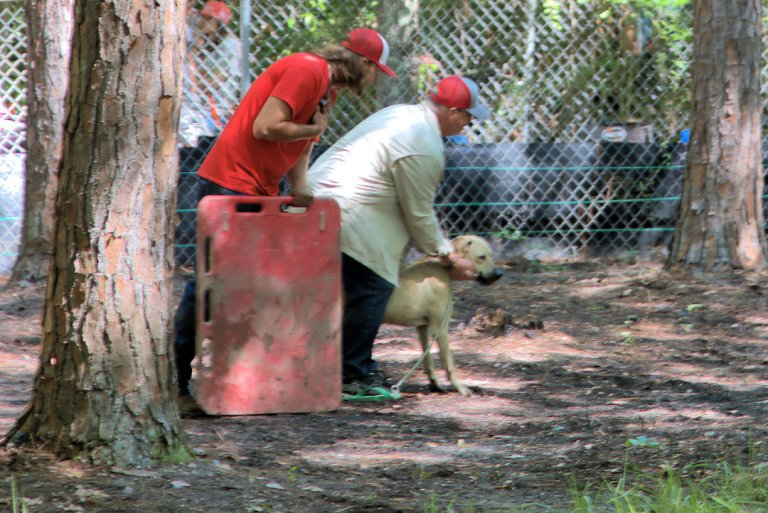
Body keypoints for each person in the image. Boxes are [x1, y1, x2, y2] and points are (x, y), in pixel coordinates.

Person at [174, 28, 397, 399]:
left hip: (262, 189)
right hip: (229, 184)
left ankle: (241, 381)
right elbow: (266, 127)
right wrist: (313, 128)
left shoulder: (328, 88)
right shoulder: (307, 69)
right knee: (212, 287)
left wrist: (301, 184)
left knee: (254, 290)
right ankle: (175, 380)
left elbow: (302, 141)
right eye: (375, 70)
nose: (374, 78)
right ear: (360, 63)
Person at [307, 75, 491, 396]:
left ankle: (325, 364)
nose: (468, 124)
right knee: (374, 286)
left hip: (314, 199)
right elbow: (419, 214)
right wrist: (446, 254)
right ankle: (352, 373)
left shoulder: (400, 114)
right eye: (468, 116)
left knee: (341, 290)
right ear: (452, 111)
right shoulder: (425, 145)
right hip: (342, 210)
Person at [178, 1, 241, 150]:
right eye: (203, 17)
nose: (203, 22)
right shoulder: (201, 37)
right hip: (196, 98)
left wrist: (188, 84)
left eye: (209, 19)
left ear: (219, 24)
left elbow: (214, 81)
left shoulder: (229, 44)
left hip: (216, 103)